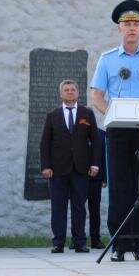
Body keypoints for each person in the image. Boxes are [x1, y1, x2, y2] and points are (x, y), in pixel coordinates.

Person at [91, 0, 139, 262]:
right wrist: (112, 115)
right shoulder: (107, 59)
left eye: (136, 23)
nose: (132, 28)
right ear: (119, 28)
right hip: (117, 131)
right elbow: (97, 96)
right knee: (119, 186)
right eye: (127, 24)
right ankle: (120, 244)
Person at [42, 80, 100, 254]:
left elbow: (95, 141)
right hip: (57, 169)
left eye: (73, 89)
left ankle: (79, 242)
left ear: (77, 92)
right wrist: (46, 166)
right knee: (58, 207)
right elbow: (45, 143)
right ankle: (58, 242)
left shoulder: (87, 114)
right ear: (61, 94)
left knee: (79, 207)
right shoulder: (52, 115)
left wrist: (95, 164)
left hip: (81, 168)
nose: (69, 92)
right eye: (66, 90)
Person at [87, 128, 107, 249]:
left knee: (95, 210)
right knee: (77, 209)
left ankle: (95, 239)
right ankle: (76, 239)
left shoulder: (101, 134)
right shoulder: (77, 131)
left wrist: (104, 178)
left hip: (96, 178)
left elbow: (105, 156)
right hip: (79, 177)